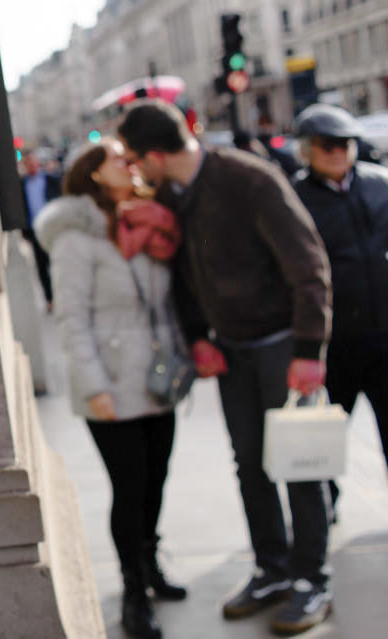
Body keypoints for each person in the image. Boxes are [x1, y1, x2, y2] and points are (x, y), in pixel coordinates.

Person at [118, 100, 334, 636]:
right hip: (230, 349)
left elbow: (309, 266)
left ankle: (311, 579)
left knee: (298, 464)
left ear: (155, 154)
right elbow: (186, 276)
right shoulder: (171, 194)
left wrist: (309, 350)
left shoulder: (248, 178)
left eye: (133, 158)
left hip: (283, 344)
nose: (133, 168)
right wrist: (198, 338)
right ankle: (272, 570)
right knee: (250, 464)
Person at [34, 139, 188, 639]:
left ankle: (150, 564)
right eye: (118, 159)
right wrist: (94, 385)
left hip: (156, 379)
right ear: (95, 174)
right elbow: (71, 320)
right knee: (130, 487)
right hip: (110, 383)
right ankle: (132, 592)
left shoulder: (147, 222)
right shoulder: (76, 237)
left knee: (157, 479)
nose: (130, 163)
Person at [292, 104, 388, 500]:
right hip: (333, 342)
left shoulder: (379, 183)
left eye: (345, 143)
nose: (337, 152)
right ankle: (324, 503)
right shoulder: (295, 198)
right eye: (327, 144)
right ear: (308, 150)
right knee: (324, 436)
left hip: (383, 335)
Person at [21, 150, 61, 312]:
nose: (31, 166)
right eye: (27, 164)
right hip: (35, 231)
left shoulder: (51, 179)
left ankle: (61, 295)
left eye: (33, 163)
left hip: (53, 230)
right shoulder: (22, 184)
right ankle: (50, 298)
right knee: (42, 267)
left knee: (57, 264)